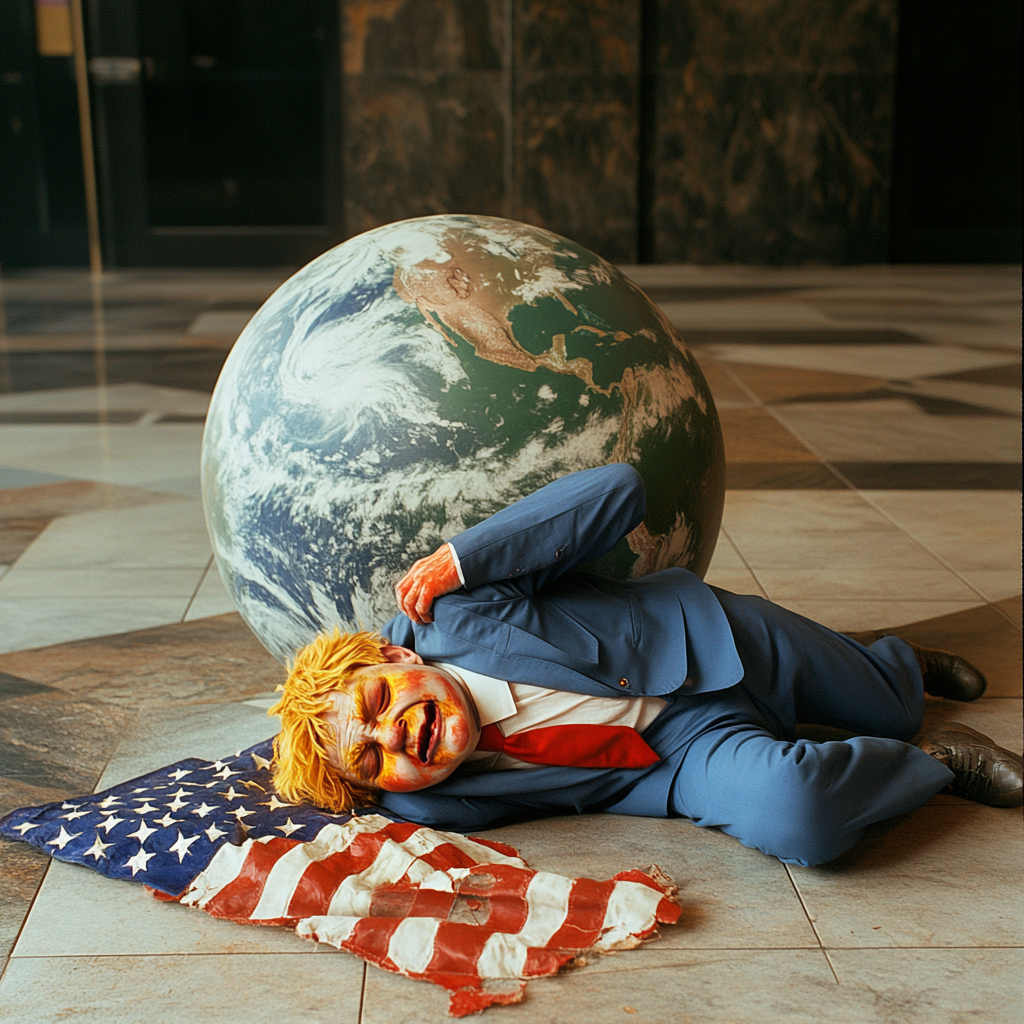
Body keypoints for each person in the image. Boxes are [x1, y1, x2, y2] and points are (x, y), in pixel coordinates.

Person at [269, 464, 1022, 867]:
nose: (395, 738)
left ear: (395, 655)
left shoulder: (458, 611)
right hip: (677, 756)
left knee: (892, 701)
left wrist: (467, 558)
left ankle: (880, 659)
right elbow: (332, 816)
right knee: (800, 818)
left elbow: (619, 490)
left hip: (712, 642)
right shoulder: (433, 800)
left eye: (375, 706)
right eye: (372, 758)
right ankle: (939, 762)